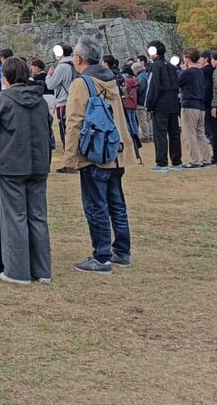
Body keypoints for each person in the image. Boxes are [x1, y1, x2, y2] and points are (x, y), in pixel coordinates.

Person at [61, 37, 136, 274]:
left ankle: (101, 256)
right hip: (116, 150)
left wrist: (70, 158)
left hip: (94, 152)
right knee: (117, 204)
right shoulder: (111, 79)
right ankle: (122, 252)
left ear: (78, 58)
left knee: (96, 205)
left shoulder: (81, 84)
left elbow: (74, 122)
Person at [0, 57, 52, 283]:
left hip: (11, 163)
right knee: (38, 216)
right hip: (38, 163)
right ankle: (42, 270)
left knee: (15, 216)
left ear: (6, 77)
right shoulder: (40, 100)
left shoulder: (4, 99)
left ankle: (17, 271)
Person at [143, 41, 182, 172]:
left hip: (160, 104)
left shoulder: (155, 66)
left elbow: (153, 87)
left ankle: (162, 162)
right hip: (173, 103)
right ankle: (176, 161)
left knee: (160, 134)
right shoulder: (171, 66)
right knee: (174, 133)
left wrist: (149, 105)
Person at [177, 49, 208, 169]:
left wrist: (181, 70)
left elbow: (177, 82)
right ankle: (206, 157)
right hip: (200, 106)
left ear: (188, 58)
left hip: (189, 105)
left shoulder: (187, 72)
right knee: (200, 133)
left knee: (189, 134)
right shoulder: (200, 72)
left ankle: (194, 160)